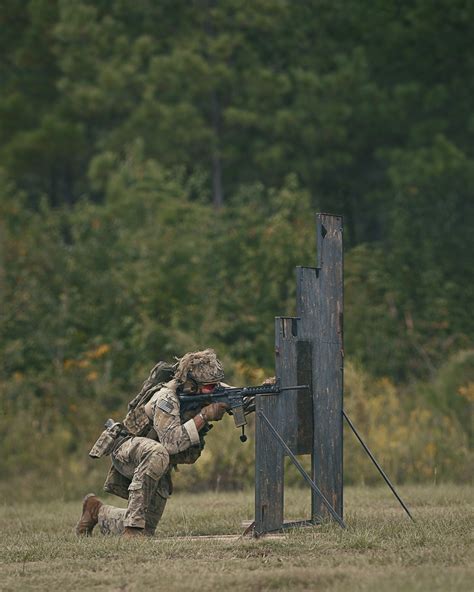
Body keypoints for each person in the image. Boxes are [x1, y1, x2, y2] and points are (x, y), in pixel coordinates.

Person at [76, 349, 229, 537]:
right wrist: (204, 416)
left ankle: (96, 511)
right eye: (208, 387)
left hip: (156, 460)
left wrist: (265, 392)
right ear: (190, 384)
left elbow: (241, 396)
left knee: (147, 529)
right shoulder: (166, 398)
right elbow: (172, 443)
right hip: (128, 450)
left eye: (215, 386)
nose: (213, 391)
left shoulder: (208, 388)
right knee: (158, 453)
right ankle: (132, 528)